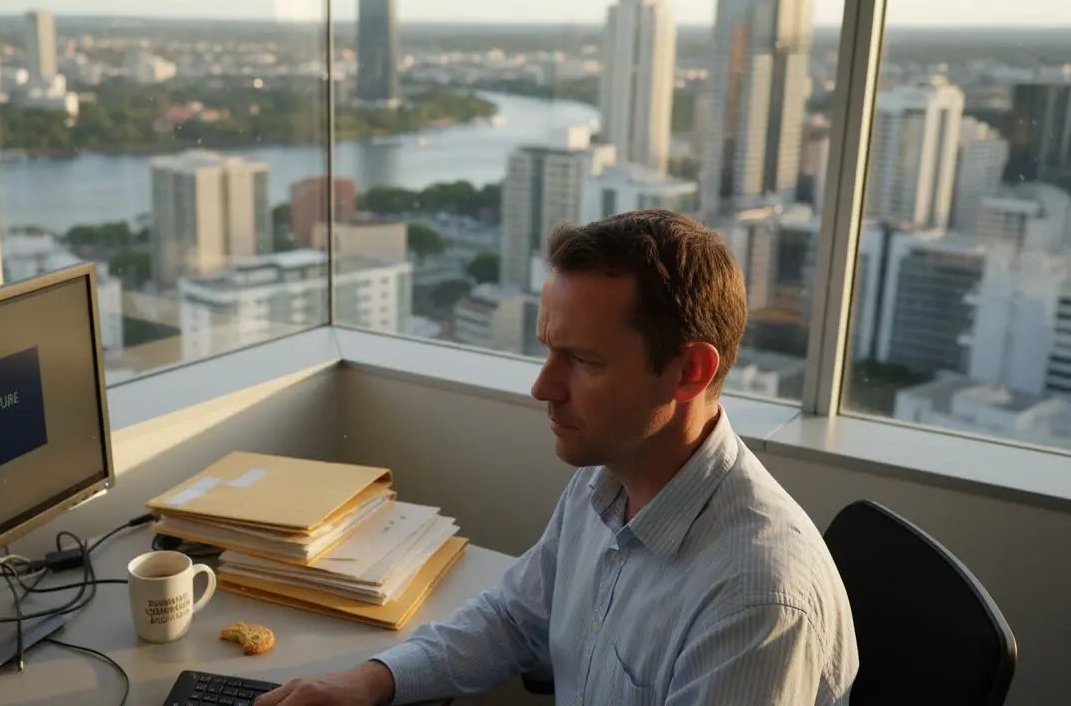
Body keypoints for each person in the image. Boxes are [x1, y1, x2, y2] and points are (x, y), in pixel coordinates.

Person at [257, 210, 858, 706]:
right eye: (548, 351)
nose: (543, 388)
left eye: (584, 362)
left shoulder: (757, 602)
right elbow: (516, 618)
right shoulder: (609, 476)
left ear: (688, 371)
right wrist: (370, 681)